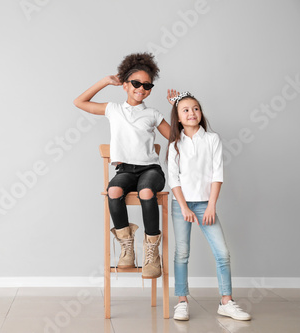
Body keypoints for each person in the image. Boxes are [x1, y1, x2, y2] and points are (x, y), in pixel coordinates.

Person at [74, 53, 171, 278]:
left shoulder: (153, 114)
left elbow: (175, 138)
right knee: (113, 190)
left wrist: (177, 106)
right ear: (125, 85)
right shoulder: (113, 109)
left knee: (147, 192)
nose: (141, 88)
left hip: (150, 170)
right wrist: (105, 81)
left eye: (147, 85)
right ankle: (127, 247)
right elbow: (79, 102)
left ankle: (152, 252)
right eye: (136, 83)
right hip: (126, 170)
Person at [167, 91, 251, 321]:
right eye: (185, 110)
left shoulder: (212, 139)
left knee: (222, 253)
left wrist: (211, 205)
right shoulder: (174, 143)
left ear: (201, 113)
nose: (192, 113)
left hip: (206, 203)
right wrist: (183, 207)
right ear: (178, 117)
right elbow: (173, 178)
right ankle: (181, 301)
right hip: (181, 204)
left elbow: (217, 174)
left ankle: (226, 301)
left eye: (195, 108)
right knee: (182, 253)